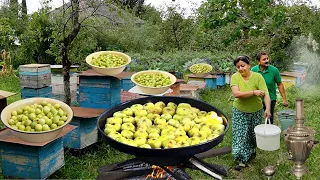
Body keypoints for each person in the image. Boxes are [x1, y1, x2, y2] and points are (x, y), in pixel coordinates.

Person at [230, 55, 271, 171]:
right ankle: (241, 159)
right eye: (238, 67)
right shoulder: (235, 77)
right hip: (240, 110)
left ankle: (251, 152)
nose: (240, 69)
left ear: (249, 65)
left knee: (253, 135)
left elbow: (266, 94)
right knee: (240, 135)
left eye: (242, 66)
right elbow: (236, 94)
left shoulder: (257, 77)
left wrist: (267, 109)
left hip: (256, 111)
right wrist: (253, 92)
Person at [251, 52, 288, 124]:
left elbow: (280, 84)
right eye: (264, 59)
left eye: (267, 58)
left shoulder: (274, 70)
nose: (267, 60)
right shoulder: (253, 70)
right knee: (255, 118)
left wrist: (284, 99)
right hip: (256, 98)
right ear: (258, 61)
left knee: (269, 118)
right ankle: (257, 133)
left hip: (271, 98)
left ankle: (269, 133)